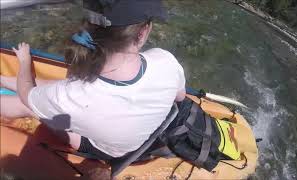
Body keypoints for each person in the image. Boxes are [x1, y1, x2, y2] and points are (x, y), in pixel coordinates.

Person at [0, 0, 186, 160]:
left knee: (28, 106)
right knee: (55, 90)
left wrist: (24, 62)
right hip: (140, 138)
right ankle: (2, 80)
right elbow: (180, 96)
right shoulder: (165, 60)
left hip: (100, 147)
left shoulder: (73, 96)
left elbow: (26, 95)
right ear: (142, 33)